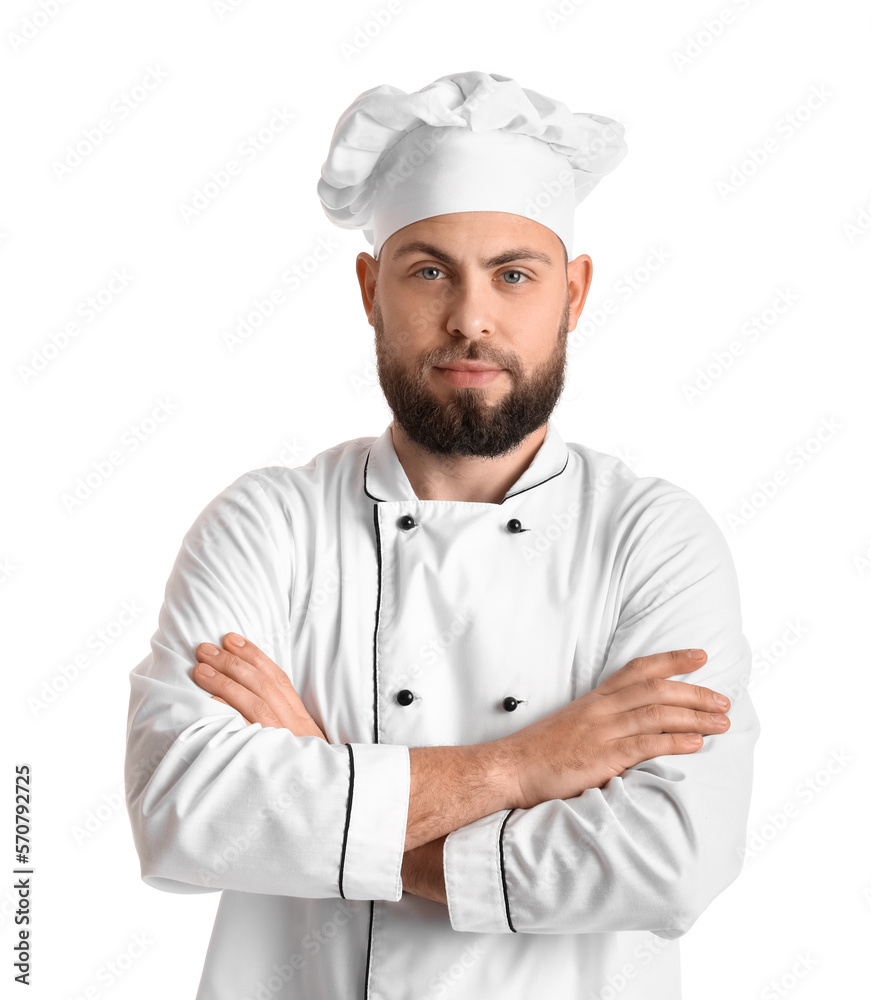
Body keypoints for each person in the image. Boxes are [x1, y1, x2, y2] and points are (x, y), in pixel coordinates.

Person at [125, 71, 760, 1000]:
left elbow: (672, 858)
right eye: (429, 271)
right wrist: (525, 765)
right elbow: (182, 808)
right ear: (369, 288)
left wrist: (326, 785)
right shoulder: (268, 523)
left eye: (514, 274)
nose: (471, 318)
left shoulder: (653, 538)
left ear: (573, 294)